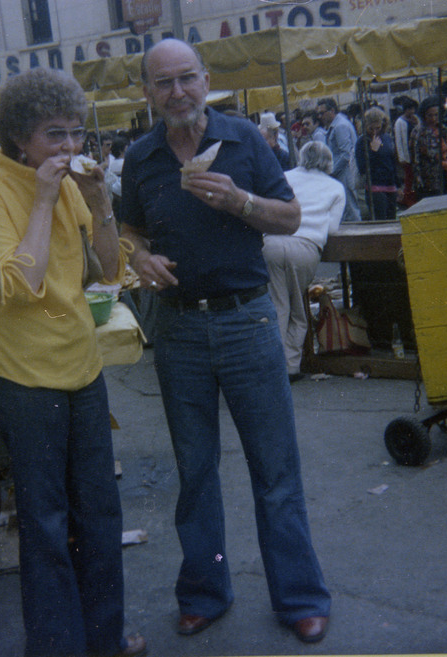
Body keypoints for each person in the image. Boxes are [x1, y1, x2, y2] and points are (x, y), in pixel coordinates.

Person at [120, 38, 331, 644]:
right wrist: (139, 258)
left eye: (188, 78)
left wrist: (239, 200)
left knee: (276, 469)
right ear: (147, 92)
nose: (178, 92)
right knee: (195, 470)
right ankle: (205, 593)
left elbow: (290, 217)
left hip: (247, 321)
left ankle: (299, 597)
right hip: (179, 326)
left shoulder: (243, 139)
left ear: (205, 79)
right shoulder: (140, 157)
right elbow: (130, 228)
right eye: (164, 83)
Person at [0, 67, 146, 657]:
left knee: (100, 513)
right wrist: (42, 196)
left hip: (81, 371)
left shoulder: (72, 184)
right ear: (19, 136)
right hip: (23, 379)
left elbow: (111, 272)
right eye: (52, 134)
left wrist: (101, 205)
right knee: (43, 526)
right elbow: (22, 283)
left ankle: (105, 638)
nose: (68, 147)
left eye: (73, 133)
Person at [263, 141, 345, 380]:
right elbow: (331, 229)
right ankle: (289, 367)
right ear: (328, 162)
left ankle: (271, 365)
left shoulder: (284, 176)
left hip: (271, 244)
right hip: (305, 249)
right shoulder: (336, 187)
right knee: (298, 309)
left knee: (276, 305)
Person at [316, 97, 360, 221]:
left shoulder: (340, 126)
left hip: (344, 173)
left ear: (332, 111)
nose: (319, 116)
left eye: (322, 113)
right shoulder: (338, 124)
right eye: (318, 113)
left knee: (350, 209)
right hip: (342, 173)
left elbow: (346, 154)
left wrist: (331, 171)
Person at [409, 96, 447, 198]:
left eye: (436, 115)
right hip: (429, 181)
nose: (433, 119)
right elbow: (433, 156)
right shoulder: (420, 132)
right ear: (423, 115)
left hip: (445, 176)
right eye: (430, 115)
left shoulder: (441, 128)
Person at [355, 107, 398, 221]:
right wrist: (373, 151)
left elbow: (392, 161)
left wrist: (398, 185)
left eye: (377, 128)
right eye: (371, 129)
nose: (374, 132)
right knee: (381, 220)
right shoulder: (361, 142)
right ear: (365, 126)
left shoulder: (386, 137)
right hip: (375, 187)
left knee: (392, 220)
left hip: (390, 185)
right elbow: (362, 168)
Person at [393, 96, 419, 207]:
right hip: (406, 155)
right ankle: (407, 198)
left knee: (414, 176)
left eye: (413, 109)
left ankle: (411, 196)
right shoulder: (399, 122)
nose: (412, 112)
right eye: (409, 109)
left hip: (415, 153)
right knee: (409, 177)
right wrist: (402, 157)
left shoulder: (415, 119)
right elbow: (398, 140)